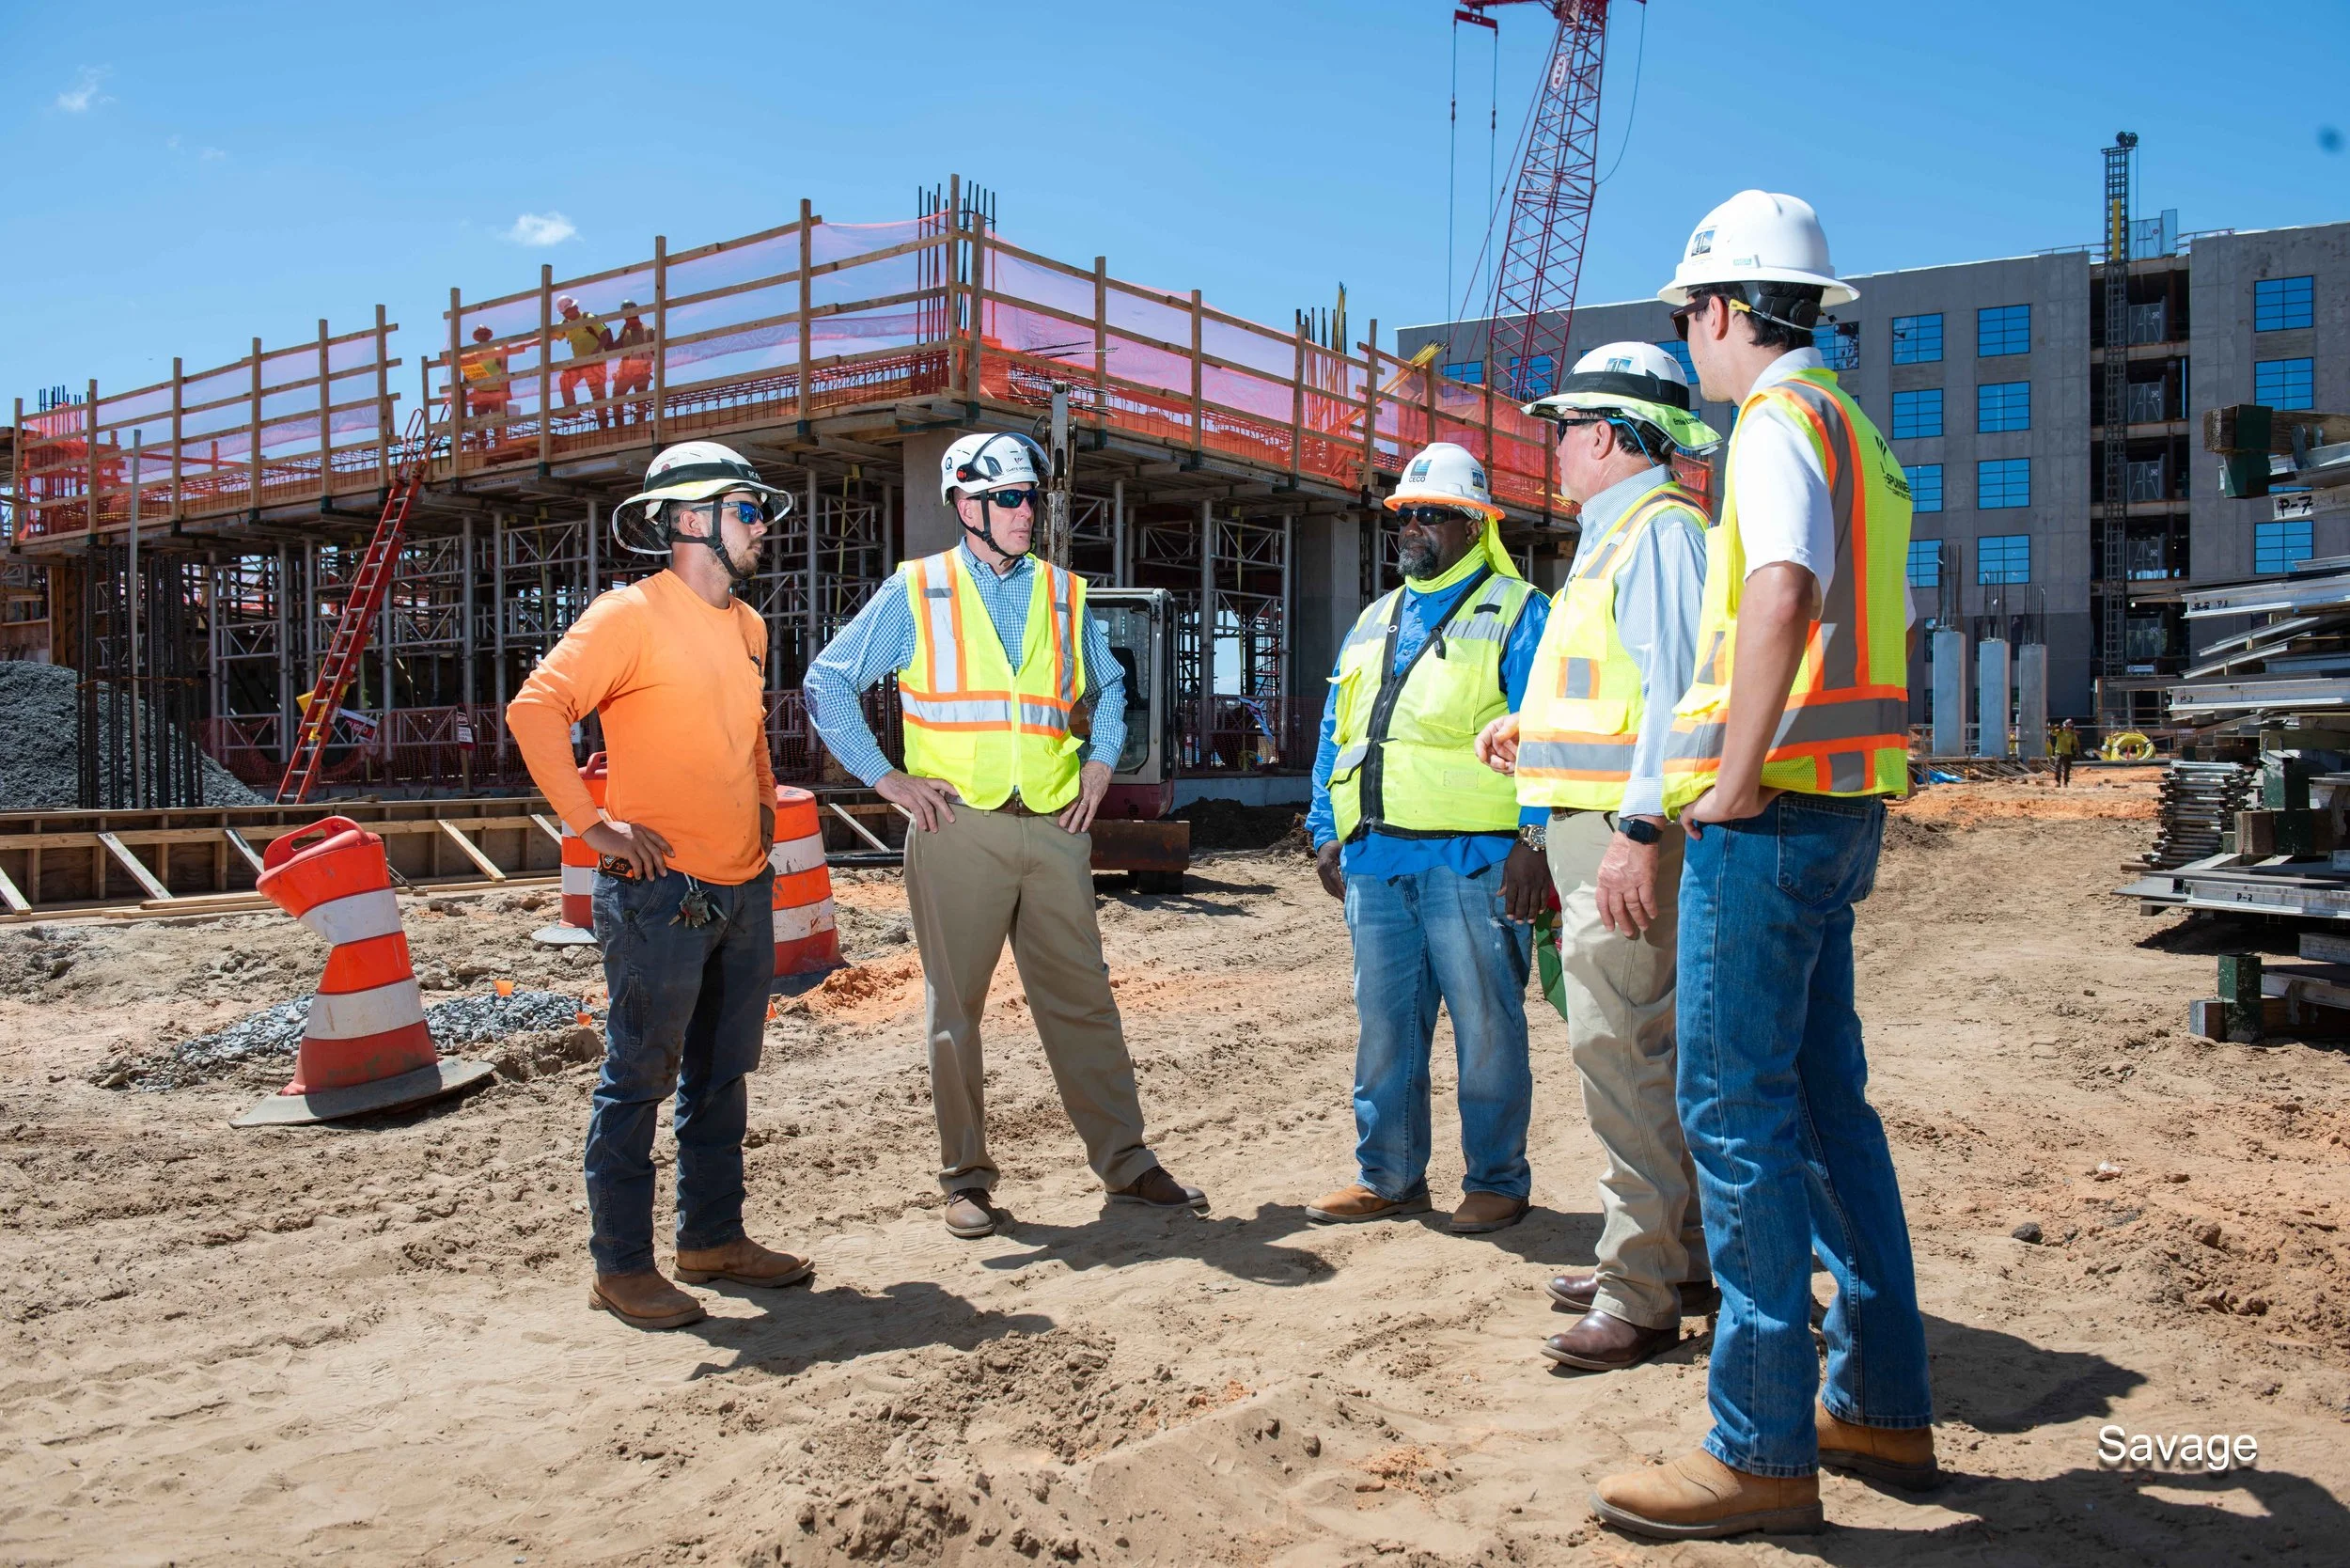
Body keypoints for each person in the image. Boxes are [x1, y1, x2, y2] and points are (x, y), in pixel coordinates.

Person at [1589, 191, 1935, 1540]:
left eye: (1689, 318)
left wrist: (1723, 788)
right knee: (1827, 1110)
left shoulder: (1779, 427)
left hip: (1774, 812)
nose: (1690, 343)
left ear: (1727, 310)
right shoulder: (1860, 435)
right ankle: (1883, 1408)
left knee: (1734, 1118)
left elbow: (1781, 590)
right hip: (1840, 805)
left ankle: (1760, 1451)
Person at [803, 431, 1207, 1239]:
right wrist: (887, 780)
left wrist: (1102, 762)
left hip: (1057, 829)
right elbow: (829, 680)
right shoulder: (917, 591)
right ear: (966, 504)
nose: (1029, 514)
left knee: (1085, 1001)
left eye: (1034, 499)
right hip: (959, 829)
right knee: (956, 1011)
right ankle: (965, 1179)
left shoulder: (1065, 593)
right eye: (1012, 499)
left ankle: (1126, 1164)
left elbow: (1112, 682)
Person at [507, 441, 812, 1331]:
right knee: (639, 1075)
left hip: (741, 885)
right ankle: (622, 1268)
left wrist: (761, 811)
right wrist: (591, 826)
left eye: (758, 514)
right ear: (690, 520)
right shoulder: (627, 615)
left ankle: (712, 1238)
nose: (760, 527)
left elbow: (750, 732)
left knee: (723, 1074)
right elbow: (535, 709)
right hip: (659, 892)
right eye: (745, 511)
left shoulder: (747, 625)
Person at [1476, 345, 1722, 1370]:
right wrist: (1533, 734)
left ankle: (1640, 1289)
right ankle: (1670, 1253)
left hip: (1620, 837)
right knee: (1632, 1048)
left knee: (1619, 1049)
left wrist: (1635, 832)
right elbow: (1617, 694)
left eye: (1565, 428)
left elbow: (1676, 697)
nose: (1555, 445)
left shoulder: (1656, 537)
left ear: (1612, 438)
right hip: (1598, 822)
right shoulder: (1613, 538)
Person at [1303, 442, 1552, 1236]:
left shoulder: (1519, 611)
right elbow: (1335, 732)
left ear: (1477, 526)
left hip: (1473, 859)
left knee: (1486, 1029)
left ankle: (1497, 1181)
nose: (1414, 527)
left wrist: (1534, 841)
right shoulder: (1376, 618)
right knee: (1384, 1031)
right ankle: (1389, 1176)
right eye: (1407, 514)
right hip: (1377, 859)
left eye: (1435, 515)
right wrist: (1323, 831)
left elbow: (1550, 734)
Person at [556, 294, 614, 432]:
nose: (575, 309)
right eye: (571, 308)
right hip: (580, 363)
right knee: (564, 380)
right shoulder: (565, 324)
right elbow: (551, 336)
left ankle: (603, 425)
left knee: (598, 395)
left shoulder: (588, 317)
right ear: (565, 313)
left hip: (595, 362)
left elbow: (604, 333)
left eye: (574, 306)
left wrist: (597, 351)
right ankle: (571, 410)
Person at [460, 324, 512, 449]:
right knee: (479, 422)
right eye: (480, 334)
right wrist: (463, 391)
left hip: (496, 390)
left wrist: (507, 390)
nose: (482, 336)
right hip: (479, 392)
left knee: (497, 422)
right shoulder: (471, 353)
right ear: (475, 337)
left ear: (489, 335)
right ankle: (482, 447)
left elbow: (504, 369)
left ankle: (500, 446)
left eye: (484, 333)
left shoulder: (496, 350)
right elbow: (467, 373)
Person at [614, 301, 654, 427]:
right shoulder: (625, 330)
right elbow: (616, 347)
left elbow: (655, 351)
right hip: (625, 371)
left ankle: (639, 426)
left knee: (640, 401)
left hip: (641, 371)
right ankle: (619, 428)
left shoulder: (648, 330)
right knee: (616, 399)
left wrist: (647, 368)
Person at [2052, 717, 2080, 786]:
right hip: (2059, 751)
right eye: (2068, 724)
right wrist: (2055, 728)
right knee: (2057, 766)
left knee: (2067, 767)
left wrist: (2077, 751)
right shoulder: (2060, 732)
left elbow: (2076, 743)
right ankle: (2058, 781)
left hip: (2068, 752)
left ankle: (2065, 782)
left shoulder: (2072, 734)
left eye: (2071, 724)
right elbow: (2053, 733)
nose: (2069, 725)